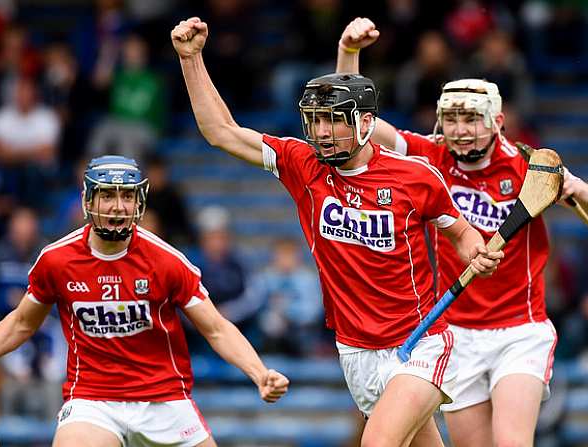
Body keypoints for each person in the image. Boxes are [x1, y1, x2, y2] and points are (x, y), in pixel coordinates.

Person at [172, 17, 503, 447]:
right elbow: (221, 132)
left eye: (334, 121)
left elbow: (460, 233)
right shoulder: (302, 164)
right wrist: (191, 59)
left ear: (366, 122)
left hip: (421, 342)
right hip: (356, 350)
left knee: (376, 443)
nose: (322, 133)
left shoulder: (415, 175)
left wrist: (477, 250)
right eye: (316, 121)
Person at [335, 17, 588, 447]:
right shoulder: (431, 155)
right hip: (455, 333)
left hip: (519, 329)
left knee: (512, 442)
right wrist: (349, 52)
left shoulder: (527, 164)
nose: (460, 131)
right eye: (452, 119)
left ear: (497, 120)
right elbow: (360, 127)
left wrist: (575, 187)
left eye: (471, 119)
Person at [0, 155, 289, 447]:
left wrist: (258, 373)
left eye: (126, 196)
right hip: (93, 400)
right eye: (107, 195)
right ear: (88, 201)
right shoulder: (56, 260)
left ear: (139, 202)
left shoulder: (167, 261)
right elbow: (22, 322)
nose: (117, 206)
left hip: (164, 398)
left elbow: (216, 329)